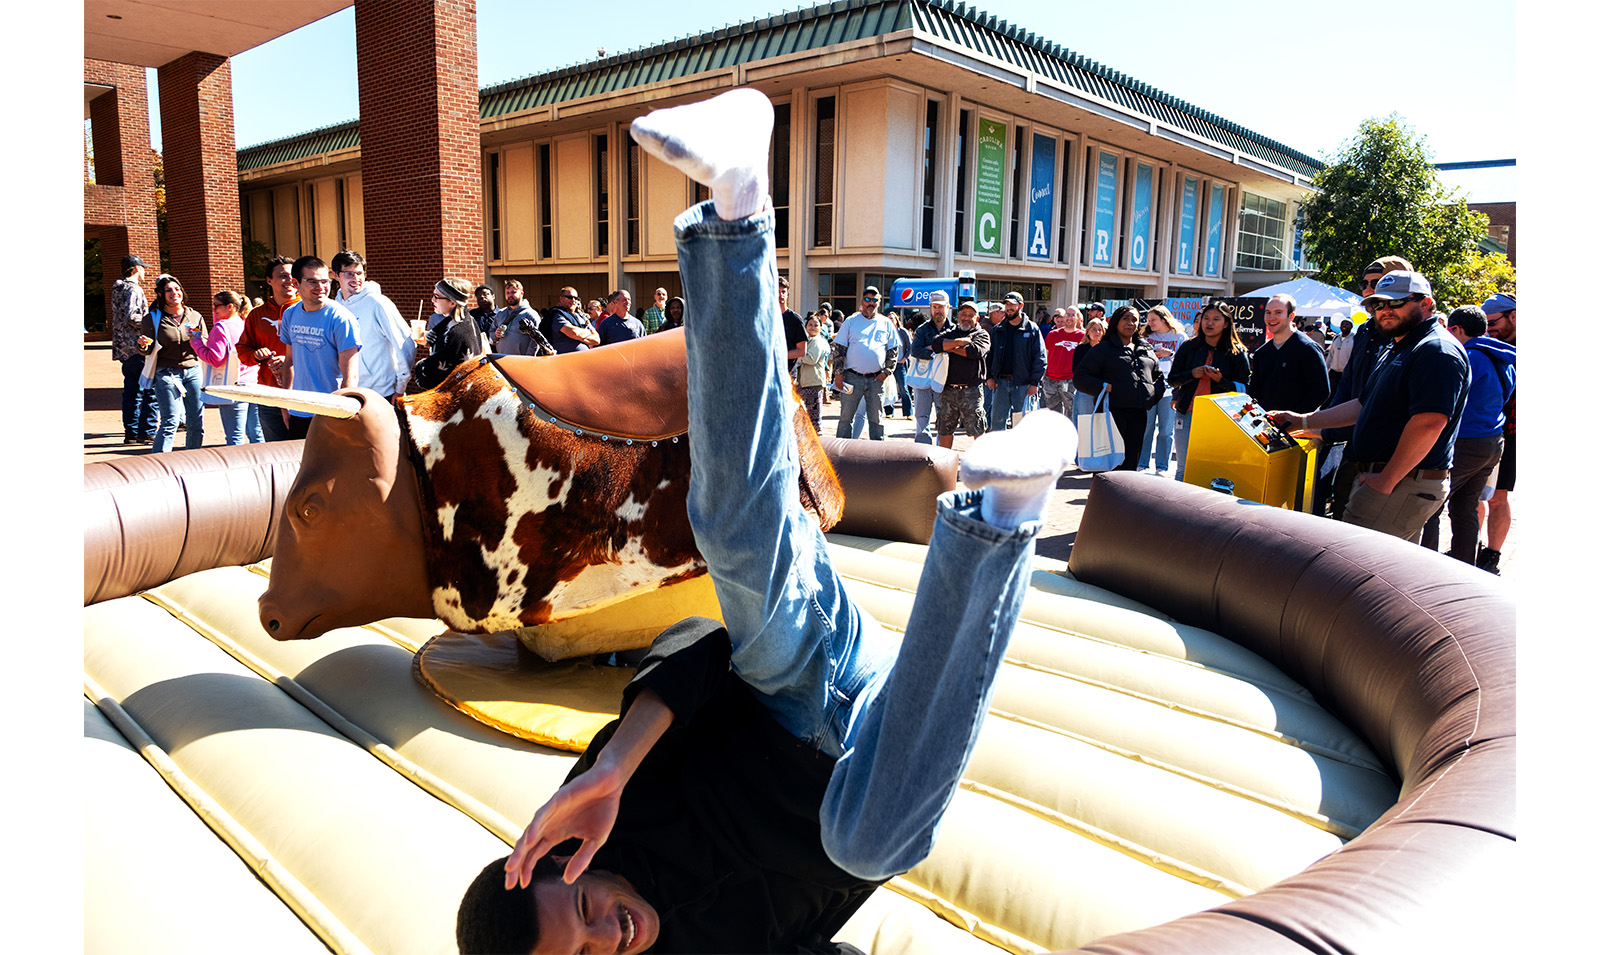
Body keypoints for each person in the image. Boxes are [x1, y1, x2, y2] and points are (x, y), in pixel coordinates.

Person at [457, 89, 1074, 955]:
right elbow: (835, 905)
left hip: (797, 680)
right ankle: (1010, 510)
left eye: (584, 907)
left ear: (561, 861)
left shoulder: (598, 811)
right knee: (865, 840)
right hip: (871, 773)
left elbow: (700, 650)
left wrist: (611, 769)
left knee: (734, 539)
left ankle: (736, 205)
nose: (610, 932)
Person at [1268, 270, 1468, 544]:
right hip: (1390, 479)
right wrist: (1304, 422)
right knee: (1385, 576)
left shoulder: (1436, 350)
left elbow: (1429, 423)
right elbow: (1364, 404)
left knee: (1350, 569)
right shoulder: (1399, 346)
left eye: (1396, 302)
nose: (1385, 310)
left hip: (1400, 482)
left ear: (1425, 303)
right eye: (1377, 303)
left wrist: (1386, 479)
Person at [1323, 257, 1415, 519]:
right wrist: (1323, 427)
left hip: (1391, 456)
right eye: (1365, 283)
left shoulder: (1415, 340)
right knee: (1341, 514)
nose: (1367, 289)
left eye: (1376, 282)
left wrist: (1388, 476)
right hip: (1355, 443)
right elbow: (1349, 387)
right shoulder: (1363, 331)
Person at [1441, 305, 1514, 567]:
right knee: (1466, 507)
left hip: (1467, 440)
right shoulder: (1503, 358)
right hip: (1493, 440)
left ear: (1457, 329)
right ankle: (1463, 566)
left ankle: (1425, 566)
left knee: (1432, 503)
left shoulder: (1467, 356)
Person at [280, 256, 362, 439]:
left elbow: (351, 376)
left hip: (329, 412)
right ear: (295, 283)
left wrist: (340, 415)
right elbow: (290, 362)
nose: (320, 287)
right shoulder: (290, 314)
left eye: (325, 281)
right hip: (298, 409)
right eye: (312, 281)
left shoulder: (341, 319)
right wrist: (284, 403)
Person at [1168, 302, 1251, 482]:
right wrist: (1191, 374)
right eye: (1206, 318)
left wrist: (1221, 381)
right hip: (1187, 413)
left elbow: (1245, 388)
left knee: (1213, 466)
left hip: (1220, 418)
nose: (1209, 323)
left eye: (1216, 319)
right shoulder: (1188, 347)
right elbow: (1172, 379)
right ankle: (1177, 508)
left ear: (1226, 323)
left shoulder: (1236, 351)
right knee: (1183, 466)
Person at [1073, 305, 1163, 471]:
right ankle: (1104, 497)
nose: (1130, 323)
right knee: (1110, 466)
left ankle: (1125, 496)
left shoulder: (1145, 349)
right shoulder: (1103, 349)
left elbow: (1158, 377)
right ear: (1116, 322)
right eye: (1126, 319)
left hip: (1139, 413)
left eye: (1134, 319)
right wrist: (1103, 386)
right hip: (1112, 413)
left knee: (1131, 464)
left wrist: (1150, 395)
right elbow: (1080, 377)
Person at [331, 250, 415, 400]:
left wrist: (400, 387)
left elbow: (405, 344)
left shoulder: (378, 303)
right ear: (336, 275)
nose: (356, 278)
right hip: (347, 393)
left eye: (359, 273)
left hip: (381, 393)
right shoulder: (335, 307)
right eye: (349, 273)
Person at [137, 273, 207, 453]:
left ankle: (193, 460)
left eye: (177, 289)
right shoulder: (152, 319)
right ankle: (160, 465)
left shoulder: (195, 316)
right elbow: (147, 350)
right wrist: (143, 346)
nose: (174, 293)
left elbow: (205, 345)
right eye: (168, 290)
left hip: (193, 370)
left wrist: (198, 341)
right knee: (171, 421)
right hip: (166, 373)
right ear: (161, 294)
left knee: (196, 421)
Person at [238, 255, 298, 442]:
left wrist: (288, 360)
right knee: (275, 451)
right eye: (282, 276)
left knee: (304, 450)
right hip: (269, 393)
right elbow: (242, 349)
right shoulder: (257, 315)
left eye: (292, 276)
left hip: (302, 391)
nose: (289, 280)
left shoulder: (307, 310)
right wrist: (255, 355)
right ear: (269, 280)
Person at [1477, 292, 1517, 575]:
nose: (1488, 329)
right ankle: (1469, 547)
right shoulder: (1487, 343)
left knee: (1497, 497)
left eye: (1492, 322)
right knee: (1474, 495)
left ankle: (1492, 556)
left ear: (1514, 316)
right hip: (1481, 432)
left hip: (1511, 435)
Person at [190, 290, 263, 445]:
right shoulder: (245, 323)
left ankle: (237, 468)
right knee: (256, 432)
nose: (214, 309)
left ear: (230, 307)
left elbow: (214, 359)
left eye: (216, 305)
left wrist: (196, 341)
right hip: (253, 382)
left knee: (234, 436)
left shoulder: (220, 328)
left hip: (233, 386)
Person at [831, 286, 897, 441]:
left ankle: (877, 454)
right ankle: (841, 453)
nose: (871, 303)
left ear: (879, 302)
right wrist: (838, 374)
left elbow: (893, 350)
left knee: (876, 420)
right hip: (851, 378)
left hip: (876, 380)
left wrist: (886, 372)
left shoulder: (886, 323)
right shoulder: (851, 321)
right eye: (867, 299)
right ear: (862, 301)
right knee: (846, 418)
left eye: (874, 300)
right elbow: (839, 349)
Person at [1247, 294, 1328, 414]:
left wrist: (1294, 419)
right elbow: (1254, 392)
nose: (1271, 317)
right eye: (1268, 312)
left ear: (1291, 316)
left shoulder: (1307, 348)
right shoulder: (1261, 353)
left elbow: (1321, 391)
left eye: (1278, 312)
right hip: (1265, 426)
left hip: (1297, 429)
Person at [111, 253, 158, 445]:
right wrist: (152, 325)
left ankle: (131, 432)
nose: (144, 271)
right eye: (143, 268)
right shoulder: (134, 290)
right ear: (137, 269)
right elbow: (132, 316)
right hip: (139, 346)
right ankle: (146, 431)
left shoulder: (117, 289)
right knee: (149, 390)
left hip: (123, 348)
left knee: (131, 391)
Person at [931, 301, 992, 449]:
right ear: (958, 316)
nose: (966, 318)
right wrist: (960, 342)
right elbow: (936, 344)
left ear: (977, 318)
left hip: (972, 391)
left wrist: (950, 347)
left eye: (970, 315)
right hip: (948, 390)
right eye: (963, 314)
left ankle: (980, 467)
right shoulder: (952, 332)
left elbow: (974, 352)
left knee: (977, 428)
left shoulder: (982, 334)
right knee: (945, 428)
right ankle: (945, 465)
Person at [984, 291, 1046, 432]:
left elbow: (1040, 357)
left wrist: (1034, 383)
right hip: (1000, 384)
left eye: (1012, 305)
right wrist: (989, 377)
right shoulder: (997, 330)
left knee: (1023, 426)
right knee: (997, 425)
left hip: (1024, 385)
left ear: (1021, 306)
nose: (1009, 308)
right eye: (1006, 304)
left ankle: (1020, 454)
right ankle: (998, 454)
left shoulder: (1032, 329)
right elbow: (989, 355)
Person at [412, 278, 486, 392]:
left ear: (452, 302)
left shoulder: (457, 333)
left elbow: (428, 375)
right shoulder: (465, 320)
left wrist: (419, 366)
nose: (432, 300)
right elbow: (441, 337)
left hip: (456, 399)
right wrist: (428, 341)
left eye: (437, 296)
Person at [1138, 305, 1185, 474]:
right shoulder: (1145, 337)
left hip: (1169, 390)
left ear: (1164, 319)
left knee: (1166, 430)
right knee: (1145, 428)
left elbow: (1185, 360)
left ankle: (1162, 466)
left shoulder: (1179, 337)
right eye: (1148, 320)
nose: (1149, 323)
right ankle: (1142, 463)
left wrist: (1169, 354)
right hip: (1148, 389)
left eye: (1153, 320)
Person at [908, 290, 952, 444]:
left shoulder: (953, 330)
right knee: (921, 417)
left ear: (948, 307)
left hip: (944, 381)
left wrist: (931, 347)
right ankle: (922, 451)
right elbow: (915, 351)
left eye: (940, 307)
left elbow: (955, 352)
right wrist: (939, 351)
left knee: (944, 417)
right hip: (922, 380)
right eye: (934, 307)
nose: (937, 310)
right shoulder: (922, 329)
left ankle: (941, 451)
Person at [489, 279, 554, 357]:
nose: (510, 295)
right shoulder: (500, 314)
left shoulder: (531, 314)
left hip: (522, 361)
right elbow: (491, 333)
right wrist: (496, 334)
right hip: (502, 361)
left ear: (522, 293)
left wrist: (528, 359)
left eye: (513, 292)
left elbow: (535, 342)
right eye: (508, 293)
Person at [1040, 306, 1084, 418]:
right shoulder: (1053, 334)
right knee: (1053, 414)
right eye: (1067, 314)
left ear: (1078, 318)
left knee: (1071, 412)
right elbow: (1045, 354)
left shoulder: (1083, 337)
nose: (1069, 317)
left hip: (1070, 381)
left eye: (1073, 315)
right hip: (1051, 380)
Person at [795, 313, 829, 433]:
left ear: (821, 328)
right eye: (810, 325)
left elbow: (811, 359)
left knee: (813, 419)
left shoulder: (817, 341)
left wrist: (795, 356)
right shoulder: (807, 341)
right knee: (804, 417)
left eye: (816, 325)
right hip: (804, 383)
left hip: (813, 383)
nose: (813, 327)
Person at [1070, 317, 1107, 419]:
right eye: (1094, 329)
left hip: (1103, 390)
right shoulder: (1081, 349)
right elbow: (1076, 370)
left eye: (1100, 330)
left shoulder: (1106, 349)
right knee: (1084, 422)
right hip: (1085, 391)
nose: (1097, 332)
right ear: (1088, 332)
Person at [778, 275, 807, 373]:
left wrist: (779, 355)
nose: (781, 295)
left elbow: (802, 351)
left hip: (787, 372)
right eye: (777, 291)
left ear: (787, 294)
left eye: (783, 292)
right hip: (766, 371)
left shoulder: (795, 319)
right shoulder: (765, 317)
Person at [1326, 317, 1356, 394]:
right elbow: (1331, 354)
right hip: (1334, 371)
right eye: (1342, 324)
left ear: (1351, 326)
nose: (1344, 326)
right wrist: (1326, 368)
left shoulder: (1355, 338)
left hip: (1346, 373)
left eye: (1347, 324)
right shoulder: (1336, 337)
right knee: (1331, 393)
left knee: (1343, 394)